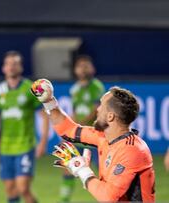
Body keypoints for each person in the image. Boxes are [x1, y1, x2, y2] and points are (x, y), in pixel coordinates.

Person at [32, 80, 155, 202]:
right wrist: (49, 102)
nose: (97, 109)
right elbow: (68, 129)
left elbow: (108, 197)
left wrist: (82, 170)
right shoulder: (103, 137)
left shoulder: (132, 150)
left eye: (101, 105)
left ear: (110, 116)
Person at [0, 51, 49, 203]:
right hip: (5, 148)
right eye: (8, 64)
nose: (11, 67)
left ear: (21, 67)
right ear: (3, 68)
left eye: (15, 64)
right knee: (10, 190)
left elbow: (43, 115)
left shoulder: (30, 88)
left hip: (25, 146)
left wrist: (43, 141)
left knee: (23, 188)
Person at [60, 55, 105, 202]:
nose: (83, 69)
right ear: (75, 70)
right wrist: (69, 129)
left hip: (94, 136)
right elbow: (73, 111)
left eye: (86, 65)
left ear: (92, 68)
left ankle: (109, 197)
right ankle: (64, 200)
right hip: (79, 136)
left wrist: (79, 125)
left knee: (103, 172)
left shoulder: (97, 87)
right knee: (68, 167)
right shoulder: (75, 89)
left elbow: (95, 110)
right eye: (80, 66)